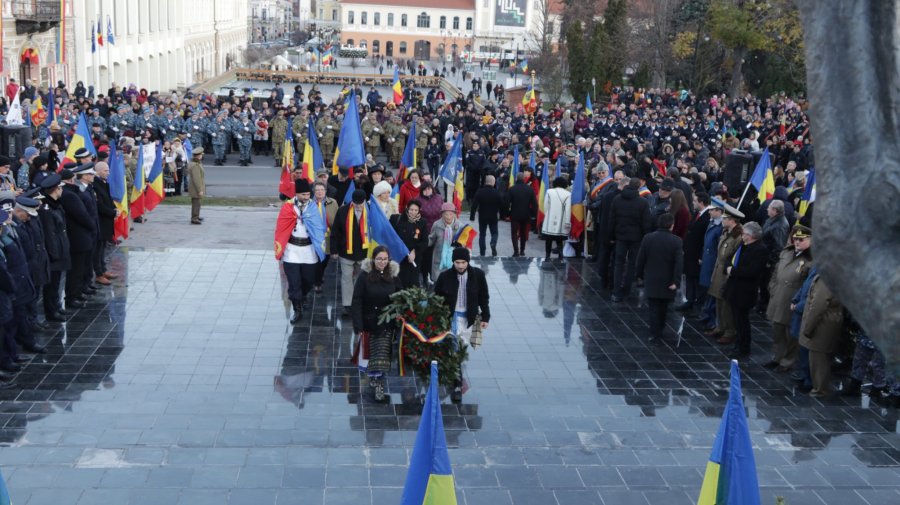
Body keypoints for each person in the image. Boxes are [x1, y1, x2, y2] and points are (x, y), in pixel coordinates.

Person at [434, 246, 490, 402]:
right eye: (457, 262)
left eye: (463, 262)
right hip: (451, 319)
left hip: (469, 319)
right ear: (453, 262)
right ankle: (457, 384)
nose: (460, 266)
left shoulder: (478, 275)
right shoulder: (445, 276)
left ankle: (452, 373)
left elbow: (483, 296)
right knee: (455, 350)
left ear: (468, 261)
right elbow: (436, 296)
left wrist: (486, 316)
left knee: (461, 350)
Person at [350, 245, 400, 401]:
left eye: (385, 259)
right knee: (372, 356)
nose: (382, 262)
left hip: (387, 324)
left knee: (382, 356)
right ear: (373, 259)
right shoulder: (364, 276)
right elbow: (357, 300)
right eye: (379, 259)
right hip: (369, 323)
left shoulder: (394, 275)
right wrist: (358, 325)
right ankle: (374, 377)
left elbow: (401, 295)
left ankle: (379, 385)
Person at [274, 179, 327, 324]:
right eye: (303, 194)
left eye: (308, 194)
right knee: (293, 281)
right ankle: (297, 308)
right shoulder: (288, 207)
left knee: (308, 279)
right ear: (297, 194)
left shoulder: (313, 207)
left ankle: (302, 297)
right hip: (292, 250)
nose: (306, 197)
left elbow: (318, 227)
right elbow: (281, 227)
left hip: (309, 250)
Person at [764, 224, 813, 372]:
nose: (797, 242)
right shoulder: (787, 253)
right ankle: (777, 357)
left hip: (791, 301)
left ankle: (788, 361)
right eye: (795, 239)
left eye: (801, 239)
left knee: (791, 334)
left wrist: (798, 302)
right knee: (776, 330)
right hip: (778, 297)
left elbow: (808, 285)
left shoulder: (811, 260)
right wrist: (772, 288)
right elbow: (775, 272)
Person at [724, 221, 769, 359]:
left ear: (751, 236)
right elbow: (731, 258)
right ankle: (738, 343)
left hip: (745, 291)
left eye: (744, 233)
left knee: (742, 321)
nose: (742, 235)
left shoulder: (760, 249)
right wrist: (729, 266)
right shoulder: (744, 245)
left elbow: (753, 271)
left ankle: (743, 347)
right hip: (735, 288)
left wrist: (733, 271)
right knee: (737, 320)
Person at [636, 213, 684, 341]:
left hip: (651, 280)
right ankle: (660, 328)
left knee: (653, 308)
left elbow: (641, 259)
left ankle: (654, 333)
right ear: (672, 226)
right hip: (668, 281)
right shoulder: (677, 241)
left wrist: (639, 275)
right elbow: (678, 263)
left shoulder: (648, 238)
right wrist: (676, 281)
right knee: (664, 307)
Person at [798, 273, 844, 397]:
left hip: (822, 325)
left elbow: (818, 305)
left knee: (818, 359)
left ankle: (819, 389)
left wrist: (808, 328)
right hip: (830, 321)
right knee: (822, 358)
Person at [58, 168, 96, 309]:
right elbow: (82, 215)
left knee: (80, 267)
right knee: (76, 269)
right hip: (78, 237)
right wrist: (92, 226)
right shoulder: (70, 195)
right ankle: (72, 296)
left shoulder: (70, 193)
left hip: (79, 236)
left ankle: (78, 292)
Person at [706, 203, 744, 345]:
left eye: (725, 218)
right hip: (719, 271)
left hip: (727, 274)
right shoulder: (726, 232)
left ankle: (729, 331)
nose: (722, 220)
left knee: (726, 304)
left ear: (732, 220)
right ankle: (720, 326)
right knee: (718, 301)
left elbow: (734, 258)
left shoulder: (738, 237)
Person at [609, 178, 651, 302]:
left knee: (618, 263)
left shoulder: (617, 199)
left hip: (620, 236)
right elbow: (646, 223)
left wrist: (611, 236)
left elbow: (612, 220)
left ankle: (616, 292)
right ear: (639, 187)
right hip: (636, 238)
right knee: (632, 264)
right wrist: (646, 238)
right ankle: (626, 290)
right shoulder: (643, 202)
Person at [331, 189, 371, 313]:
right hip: (345, 252)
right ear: (352, 201)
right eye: (356, 203)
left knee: (361, 279)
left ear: (365, 201)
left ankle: (359, 301)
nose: (358, 206)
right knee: (346, 278)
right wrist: (334, 250)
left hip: (364, 252)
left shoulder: (371, 210)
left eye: (361, 203)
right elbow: (335, 232)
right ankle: (348, 304)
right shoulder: (343, 211)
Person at [37, 174, 71, 322]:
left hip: (60, 246)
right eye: (60, 188)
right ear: (56, 189)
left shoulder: (56, 204)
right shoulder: (46, 208)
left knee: (57, 281)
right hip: (54, 250)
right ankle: (51, 310)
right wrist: (54, 253)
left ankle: (56, 306)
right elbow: (49, 233)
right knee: (51, 284)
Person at [677, 192, 712, 312]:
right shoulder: (698, 213)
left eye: (695, 200)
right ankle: (690, 300)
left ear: (701, 202)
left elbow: (706, 238)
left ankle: (698, 302)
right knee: (690, 277)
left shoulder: (708, 216)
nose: (693, 203)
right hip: (690, 253)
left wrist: (701, 255)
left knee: (697, 279)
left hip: (698, 254)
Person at [759, 199, 790, 312]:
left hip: (769, 261)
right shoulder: (773, 220)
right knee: (762, 282)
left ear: (775, 211)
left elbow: (779, 246)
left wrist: (770, 261)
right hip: (764, 256)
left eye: (769, 207)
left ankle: (765, 306)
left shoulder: (780, 225)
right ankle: (762, 303)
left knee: (767, 283)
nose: (767, 209)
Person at [390, 199, 428, 288]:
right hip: (400, 257)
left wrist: (415, 252)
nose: (413, 212)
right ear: (407, 209)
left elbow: (424, 241)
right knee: (399, 281)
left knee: (413, 282)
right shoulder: (398, 219)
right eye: (411, 209)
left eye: (416, 210)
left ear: (419, 211)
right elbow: (391, 236)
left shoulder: (422, 222)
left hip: (414, 258)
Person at [92, 161, 118, 285]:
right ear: (97, 171)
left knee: (103, 248)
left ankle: (103, 269)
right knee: (98, 249)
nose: (108, 173)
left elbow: (108, 199)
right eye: (105, 171)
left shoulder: (104, 183)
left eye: (108, 170)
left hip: (107, 221)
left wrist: (114, 209)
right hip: (101, 221)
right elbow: (99, 205)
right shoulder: (95, 185)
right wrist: (112, 212)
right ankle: (98, 273)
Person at [311, 181, 339, 292]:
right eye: (317, 190)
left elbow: (337, 221)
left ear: (325, 191)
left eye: (322, 190)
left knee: (324, 260)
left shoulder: (332, 203)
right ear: (314, 191)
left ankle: (319, 275)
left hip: (328, 236)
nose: (320, 192)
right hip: (313, 237)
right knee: (316, 259)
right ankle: (317, 281)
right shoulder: (309, 203)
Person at [428, 202, 462, 282]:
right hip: (439, 258)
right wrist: (422, 241)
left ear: (454, 214)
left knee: (452, 281)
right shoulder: (436, 225)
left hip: (453, 258)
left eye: (451, 214)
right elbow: (431, 239)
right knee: (439, 282)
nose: (448, 217)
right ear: (442, 215)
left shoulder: (460, 225)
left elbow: (463, 243)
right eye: (446, 214)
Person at [469, 174, 502, 257]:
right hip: (493, 216)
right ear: (493, 182)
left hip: (482, 216)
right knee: (494, 233)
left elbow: (474, 205)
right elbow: (502, 205)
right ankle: (493, 243)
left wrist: (472, 216)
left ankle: (482, 252)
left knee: (482, 234)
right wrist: (502, 215)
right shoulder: (496, 193)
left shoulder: (480, 192)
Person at [541, 176, 572, 260]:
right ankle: (560, 255)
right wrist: (567, 222)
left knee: (548, 239)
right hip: (561, 220)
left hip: (549, 219)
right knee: (559, 238)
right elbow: (568, 209)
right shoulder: (568, 194)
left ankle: (547, 255)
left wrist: (547, 214)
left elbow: (545, 206)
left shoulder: (549, 191)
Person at [506, 173, 537, 257]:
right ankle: (522, 250)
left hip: (514, 214)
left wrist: (507, 213)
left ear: (516, 178)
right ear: (524, 179)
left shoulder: (512, 189)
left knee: (514, 233)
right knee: (523, 233)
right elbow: (534, 204)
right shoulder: (530, 189)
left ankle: (516, 251)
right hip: (526, 214)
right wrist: (533, 214)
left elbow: (506, 202)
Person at [188, 147, 206, 224]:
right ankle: (194, 218)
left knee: (197, 202)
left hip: (194, 186)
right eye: (201, 155)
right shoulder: (195, 165)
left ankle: (196, 216)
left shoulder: (195, 163)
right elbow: (197, 179)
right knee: (196, 202)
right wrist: (200, 190)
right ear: (198, 156)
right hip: (196, 187)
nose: (202, 156)